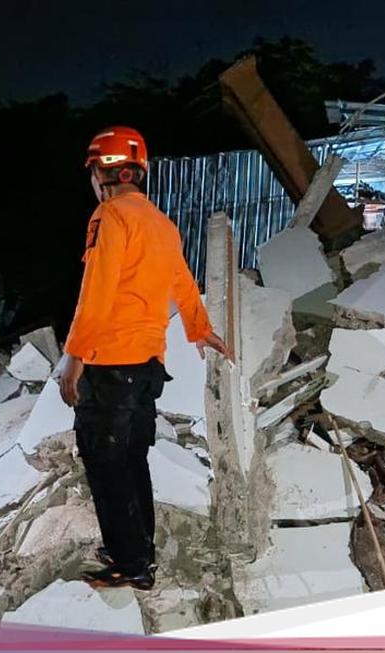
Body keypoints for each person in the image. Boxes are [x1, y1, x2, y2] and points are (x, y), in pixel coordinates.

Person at [59, 126, 230, 590]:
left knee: (105, 464)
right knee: (131, 461)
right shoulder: (160, 222)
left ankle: (131, 565)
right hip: (146, 367)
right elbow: (181, 280)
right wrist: (199, 327)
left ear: (101, 173)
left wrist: (74, 356)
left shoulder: (109, 217)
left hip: (109, 364)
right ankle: (135, 548)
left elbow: (95, 292)